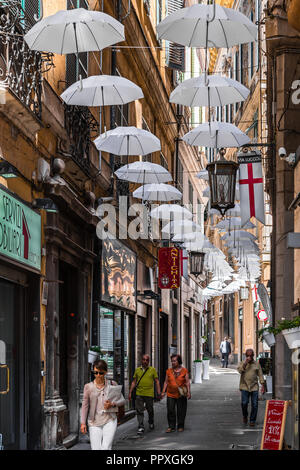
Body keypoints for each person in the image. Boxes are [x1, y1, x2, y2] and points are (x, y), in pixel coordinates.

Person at [80, 359, 125, 450]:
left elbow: (123, 401)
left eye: (101, 373)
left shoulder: (112, 384)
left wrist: (112, 404)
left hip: (110, 420)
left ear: (105, 372)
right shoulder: (88, 387)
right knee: (96, 448)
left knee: (106, 447)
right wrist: (83, 423)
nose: (98, 375)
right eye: (95, 373)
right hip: (94, 422)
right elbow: (85, 405)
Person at [129, 354, 161, 435]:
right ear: (141, 360)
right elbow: (134, 381)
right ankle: (141, 426)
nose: (145, 361)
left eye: (147, 360)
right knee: (139, 410)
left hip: (149, 394)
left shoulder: (152, 370)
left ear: (149, 361)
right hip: (139, 393)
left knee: (150, 409)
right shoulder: (137, 370)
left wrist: (159, 392)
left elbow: (156, 381)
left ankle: (151, 421)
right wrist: (130, 392)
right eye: (144, 359)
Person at [161, 354, 191, 433]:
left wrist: (189, 392)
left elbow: (187, 382)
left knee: (181, 411)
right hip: (170, 394)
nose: (173, 362)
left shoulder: (184, 371)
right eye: (172, 361)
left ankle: (180, 425)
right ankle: (171, 426)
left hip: (181, 394)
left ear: (179, 361)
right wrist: (163, 391)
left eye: (174, 361)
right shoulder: (168, 371)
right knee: (170, 410)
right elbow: (166, 382)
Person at [237, 349, 266, 427]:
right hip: (244, 386)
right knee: (244, 403)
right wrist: (245, 363)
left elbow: (260, 375)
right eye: (247, 356)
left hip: (254, 387)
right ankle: (245, 416)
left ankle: (252, 420)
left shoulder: (257, 364)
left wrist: (263, 385)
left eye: (251, 355)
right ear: (245, 356)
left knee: (255, 404)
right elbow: (240, 371)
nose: (249, 357)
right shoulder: (242, 363)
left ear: (253, 356)